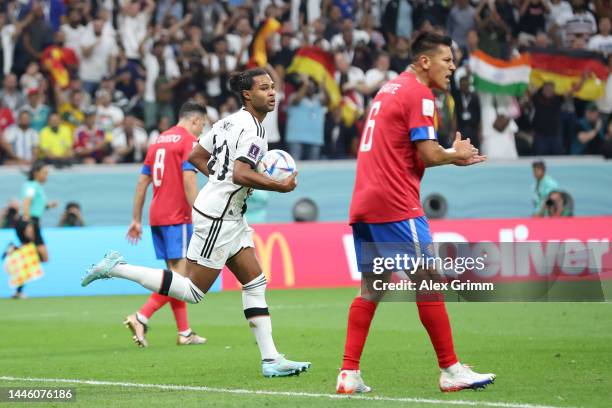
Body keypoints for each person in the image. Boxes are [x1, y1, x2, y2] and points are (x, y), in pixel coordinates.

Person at [82, 68, 310, 377]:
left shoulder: (228, 120)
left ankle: (271, 361)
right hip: (219, 216)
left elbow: (196, 154)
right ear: (247, 95)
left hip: (229, 214)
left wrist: (221, 179)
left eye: (273, 88)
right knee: (192, 291)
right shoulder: (254, 131)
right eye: (264, 88)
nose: (272, 93)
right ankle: (116, 268)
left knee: (255, 283)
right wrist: (277, 185)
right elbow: (242, 173)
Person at [335, 32, 495, 394]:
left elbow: (405, 150)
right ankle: (451, 369)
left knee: (373, 287)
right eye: (447, 60)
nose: (453, 67)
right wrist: (456, 154)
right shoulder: (420, 94)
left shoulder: (389, 89)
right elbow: (428, 154)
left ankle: (349, 373)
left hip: (364, 202)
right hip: (395, 202)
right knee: (428, 281)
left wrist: (449, 154)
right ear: (425, 61)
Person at [123, 102, 207, 347]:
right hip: (178, 216)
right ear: (194, 120)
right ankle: (141, 317)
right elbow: (189, 180)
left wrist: (136, 219)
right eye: (202, 124)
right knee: (181, 279)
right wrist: (200, 213)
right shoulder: (188, 142)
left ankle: (185, 332)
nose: (202, 131)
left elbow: (142, 184)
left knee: (174, 277)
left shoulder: (158, 140)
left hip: (156, 216)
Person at [13, 161, 58, 299]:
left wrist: (49, 205)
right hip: (29, 222)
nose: (46, 176)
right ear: (35, 173)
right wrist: (29, 223)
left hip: (31, 221)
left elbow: (36, 206)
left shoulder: (36, 186)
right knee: (43, 256)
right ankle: (12, 250)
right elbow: (26, 203)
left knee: (31, 257)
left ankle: (18, 291)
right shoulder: (31, 186)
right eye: (44, 173)